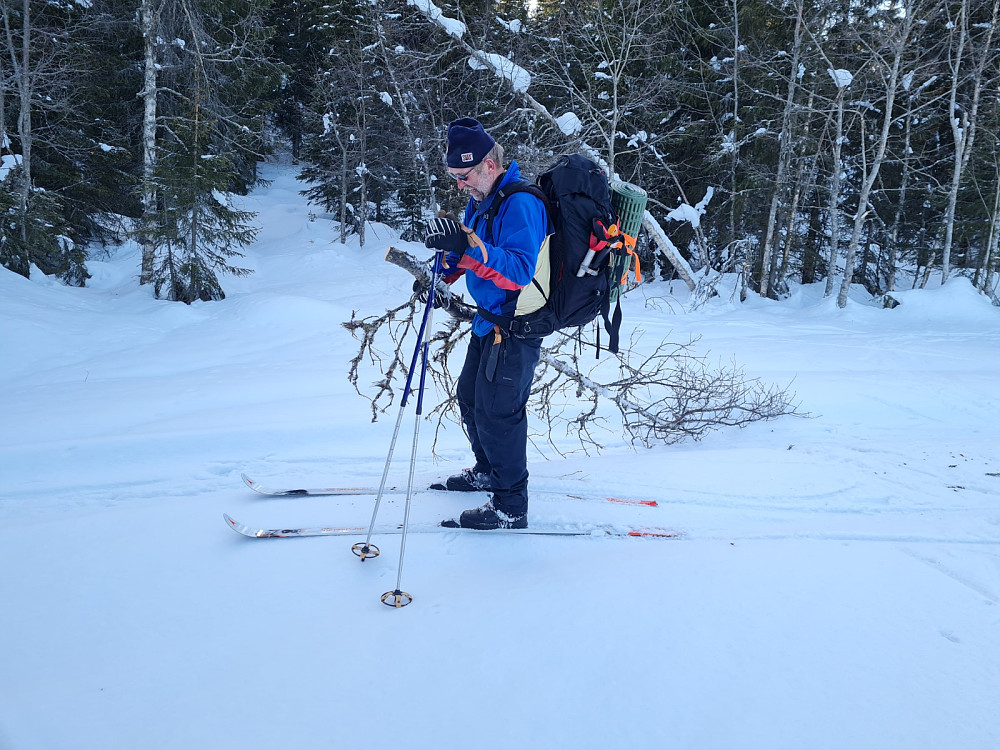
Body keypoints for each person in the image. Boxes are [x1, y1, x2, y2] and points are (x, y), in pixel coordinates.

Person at [423, 117, 549, 530]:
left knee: (500, 413)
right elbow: (471, 253)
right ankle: (488, 472)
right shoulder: (481, 201)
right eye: (456, 178)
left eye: (464, 176)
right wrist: (443, 265)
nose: (460, 186)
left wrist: (470, 251)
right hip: (488, 321)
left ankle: (512, 507)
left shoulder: (520, 203)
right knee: (471, 400)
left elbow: (518, 270)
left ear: (488, 166)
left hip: (517, 327)